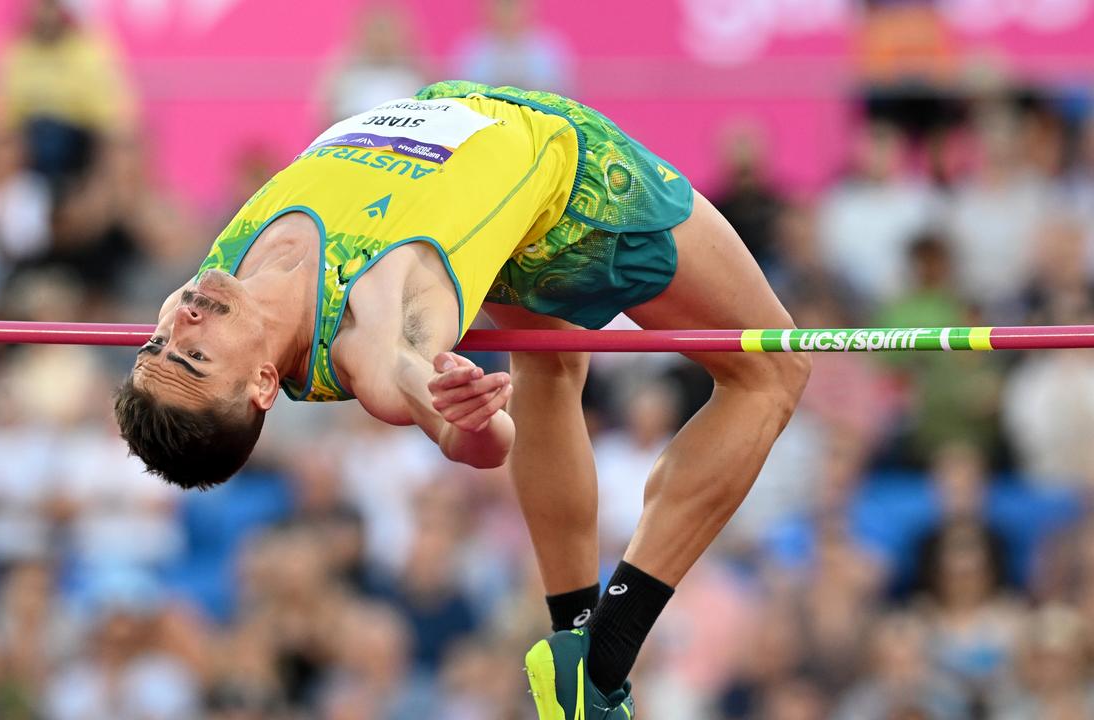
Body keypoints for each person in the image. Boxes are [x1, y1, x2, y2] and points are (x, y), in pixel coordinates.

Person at [115, 81, 810, 718]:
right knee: (775, 370)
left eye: (157, 346)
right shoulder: (365, 337)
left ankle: (572, 641)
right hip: (576, 189)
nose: (182, 325)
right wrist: (468, 418)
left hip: (482, 176)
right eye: (195, 358)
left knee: (554, 367)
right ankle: (606, 658)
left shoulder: (205, 289)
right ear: (263, 384)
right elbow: (447, 414)